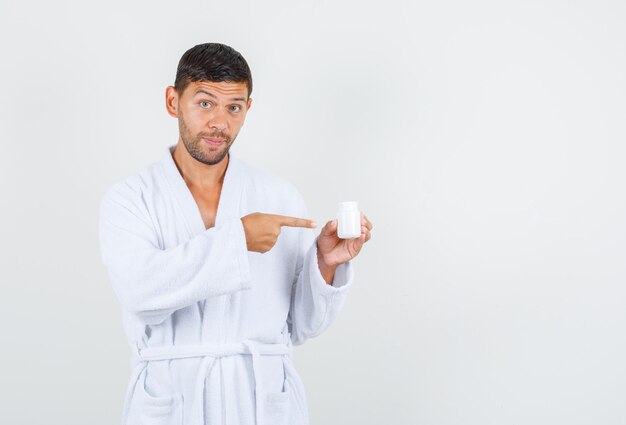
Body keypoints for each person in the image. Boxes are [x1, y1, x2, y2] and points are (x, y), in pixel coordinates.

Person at [98, 42, 373, 425]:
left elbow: (302, 325)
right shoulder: (131, 198)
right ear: (172, 101)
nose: (219, 123)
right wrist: (237, 239)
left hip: (259, 400)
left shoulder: (278, 196)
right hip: (173, 399)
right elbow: (140, 293)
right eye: (205, 103)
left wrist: (325, 264)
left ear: (248, 109)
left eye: (234, 107)